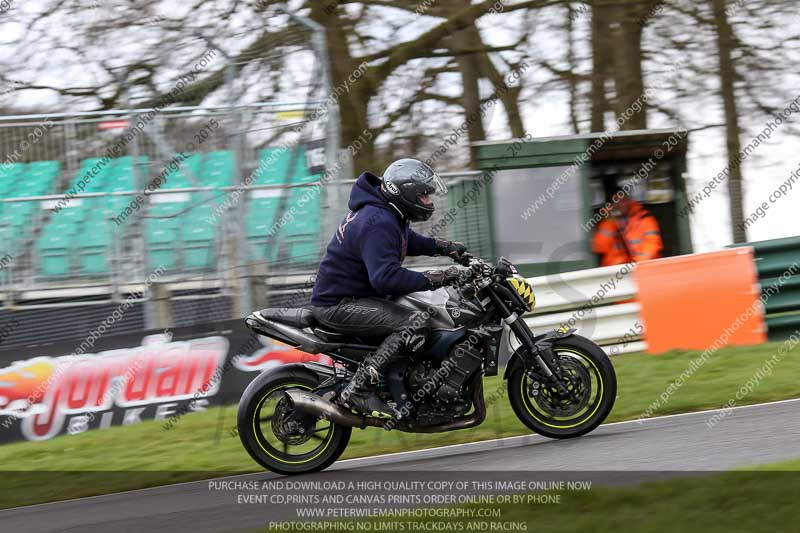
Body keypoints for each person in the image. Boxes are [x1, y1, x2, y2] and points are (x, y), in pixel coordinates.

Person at [309, 159, 468, 419]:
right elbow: (385, 278)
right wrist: (437, 277)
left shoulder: (387, 213)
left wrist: (444, 247)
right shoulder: (378, 220)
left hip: (354, 297)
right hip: (339, 305)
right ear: (405, 193)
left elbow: (406, 241)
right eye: (424, 196)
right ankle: (359, 389)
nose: (429, 201)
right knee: (416, 323)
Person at [591, 183, 663, 266]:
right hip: (615, 272)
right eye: (616, 201)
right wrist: (609, 221)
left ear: (629, 200)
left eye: (622, 200)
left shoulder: (645, 219)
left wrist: (635, 265)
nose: (620, 204)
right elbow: (600, 247)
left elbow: (652, 245)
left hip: (643, 267)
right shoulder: (608, 223)